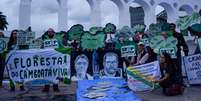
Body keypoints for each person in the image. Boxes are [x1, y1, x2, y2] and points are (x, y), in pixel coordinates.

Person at [41, 28, 59, 92]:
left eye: (51, 32)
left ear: (53, 33)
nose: (50, 33)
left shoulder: (57, 40)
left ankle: (55, 87)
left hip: (55, 61)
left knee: (55, 74)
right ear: (47, 33)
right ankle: (46, 87)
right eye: (48, 32)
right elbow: (42, 48)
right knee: (47, 74)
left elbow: (61, 47)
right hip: (47, 61)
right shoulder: (45, 40)